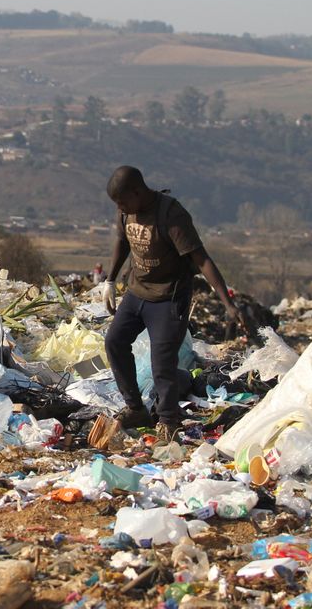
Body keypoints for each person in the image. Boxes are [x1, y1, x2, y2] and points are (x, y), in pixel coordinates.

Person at [101, 165, 240, 440]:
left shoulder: (171, 215)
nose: (121, 208)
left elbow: (201, 259)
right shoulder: (126, 210)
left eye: (123, 201)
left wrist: (228, 303)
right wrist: (110, 280)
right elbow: (122, 242)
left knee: (161, 364)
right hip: (137, 291)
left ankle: (169, 420)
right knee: (114, 342)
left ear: (138, 192)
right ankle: (136, 408)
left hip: (168, 298)